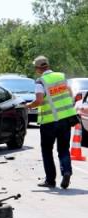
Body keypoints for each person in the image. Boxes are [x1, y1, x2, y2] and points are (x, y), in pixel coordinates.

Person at [26, 55, 77, 189]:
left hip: (49, 122)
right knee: (64, 149)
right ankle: (66, 171)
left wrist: (28, 106)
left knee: (47, 150)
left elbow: (39, 100)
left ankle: (50, 180)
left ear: (38, 69)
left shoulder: (40, 82)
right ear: (47, 65)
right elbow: (70, 93)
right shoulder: (61, 76)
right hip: (66, 119)